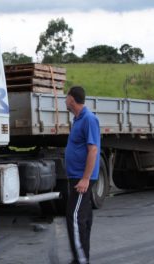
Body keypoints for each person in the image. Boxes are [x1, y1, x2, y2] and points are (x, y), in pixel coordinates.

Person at [65, 86, 100, 264]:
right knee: (84, 218)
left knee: (74, 217)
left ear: (72, 99)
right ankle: (83, 257)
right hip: (76, 176)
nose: (65, 100)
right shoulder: (77, 119)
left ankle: (80, 260)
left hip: (82, 178)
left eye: (66, 96)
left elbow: (93, 150)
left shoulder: (89, 119)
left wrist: (85, 178)